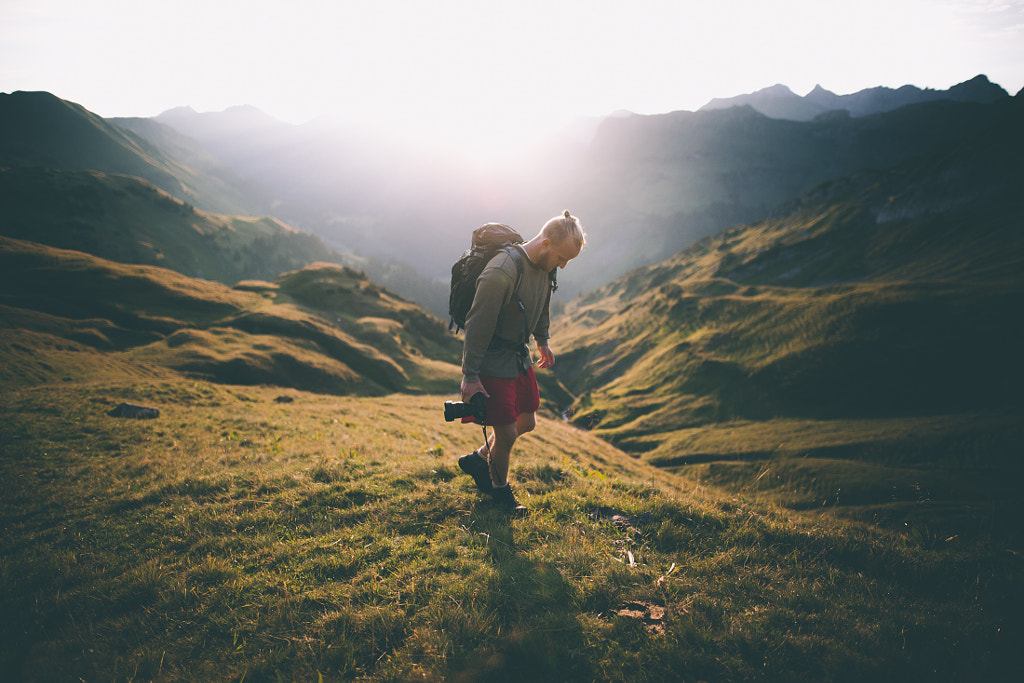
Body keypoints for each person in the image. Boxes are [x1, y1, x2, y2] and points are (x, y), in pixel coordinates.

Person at [457, 210, 586, 515]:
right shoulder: (502, 270)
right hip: (492, 360)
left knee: (526, 421)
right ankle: (501, 495)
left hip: (518, 356)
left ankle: (478, 461)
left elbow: (541, 303)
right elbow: (477, 323)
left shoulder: (544, 266)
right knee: (506, 435)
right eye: (561, 258)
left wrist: (542, 340)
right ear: (544, 243)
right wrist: (470, 374)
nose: (563, 266)